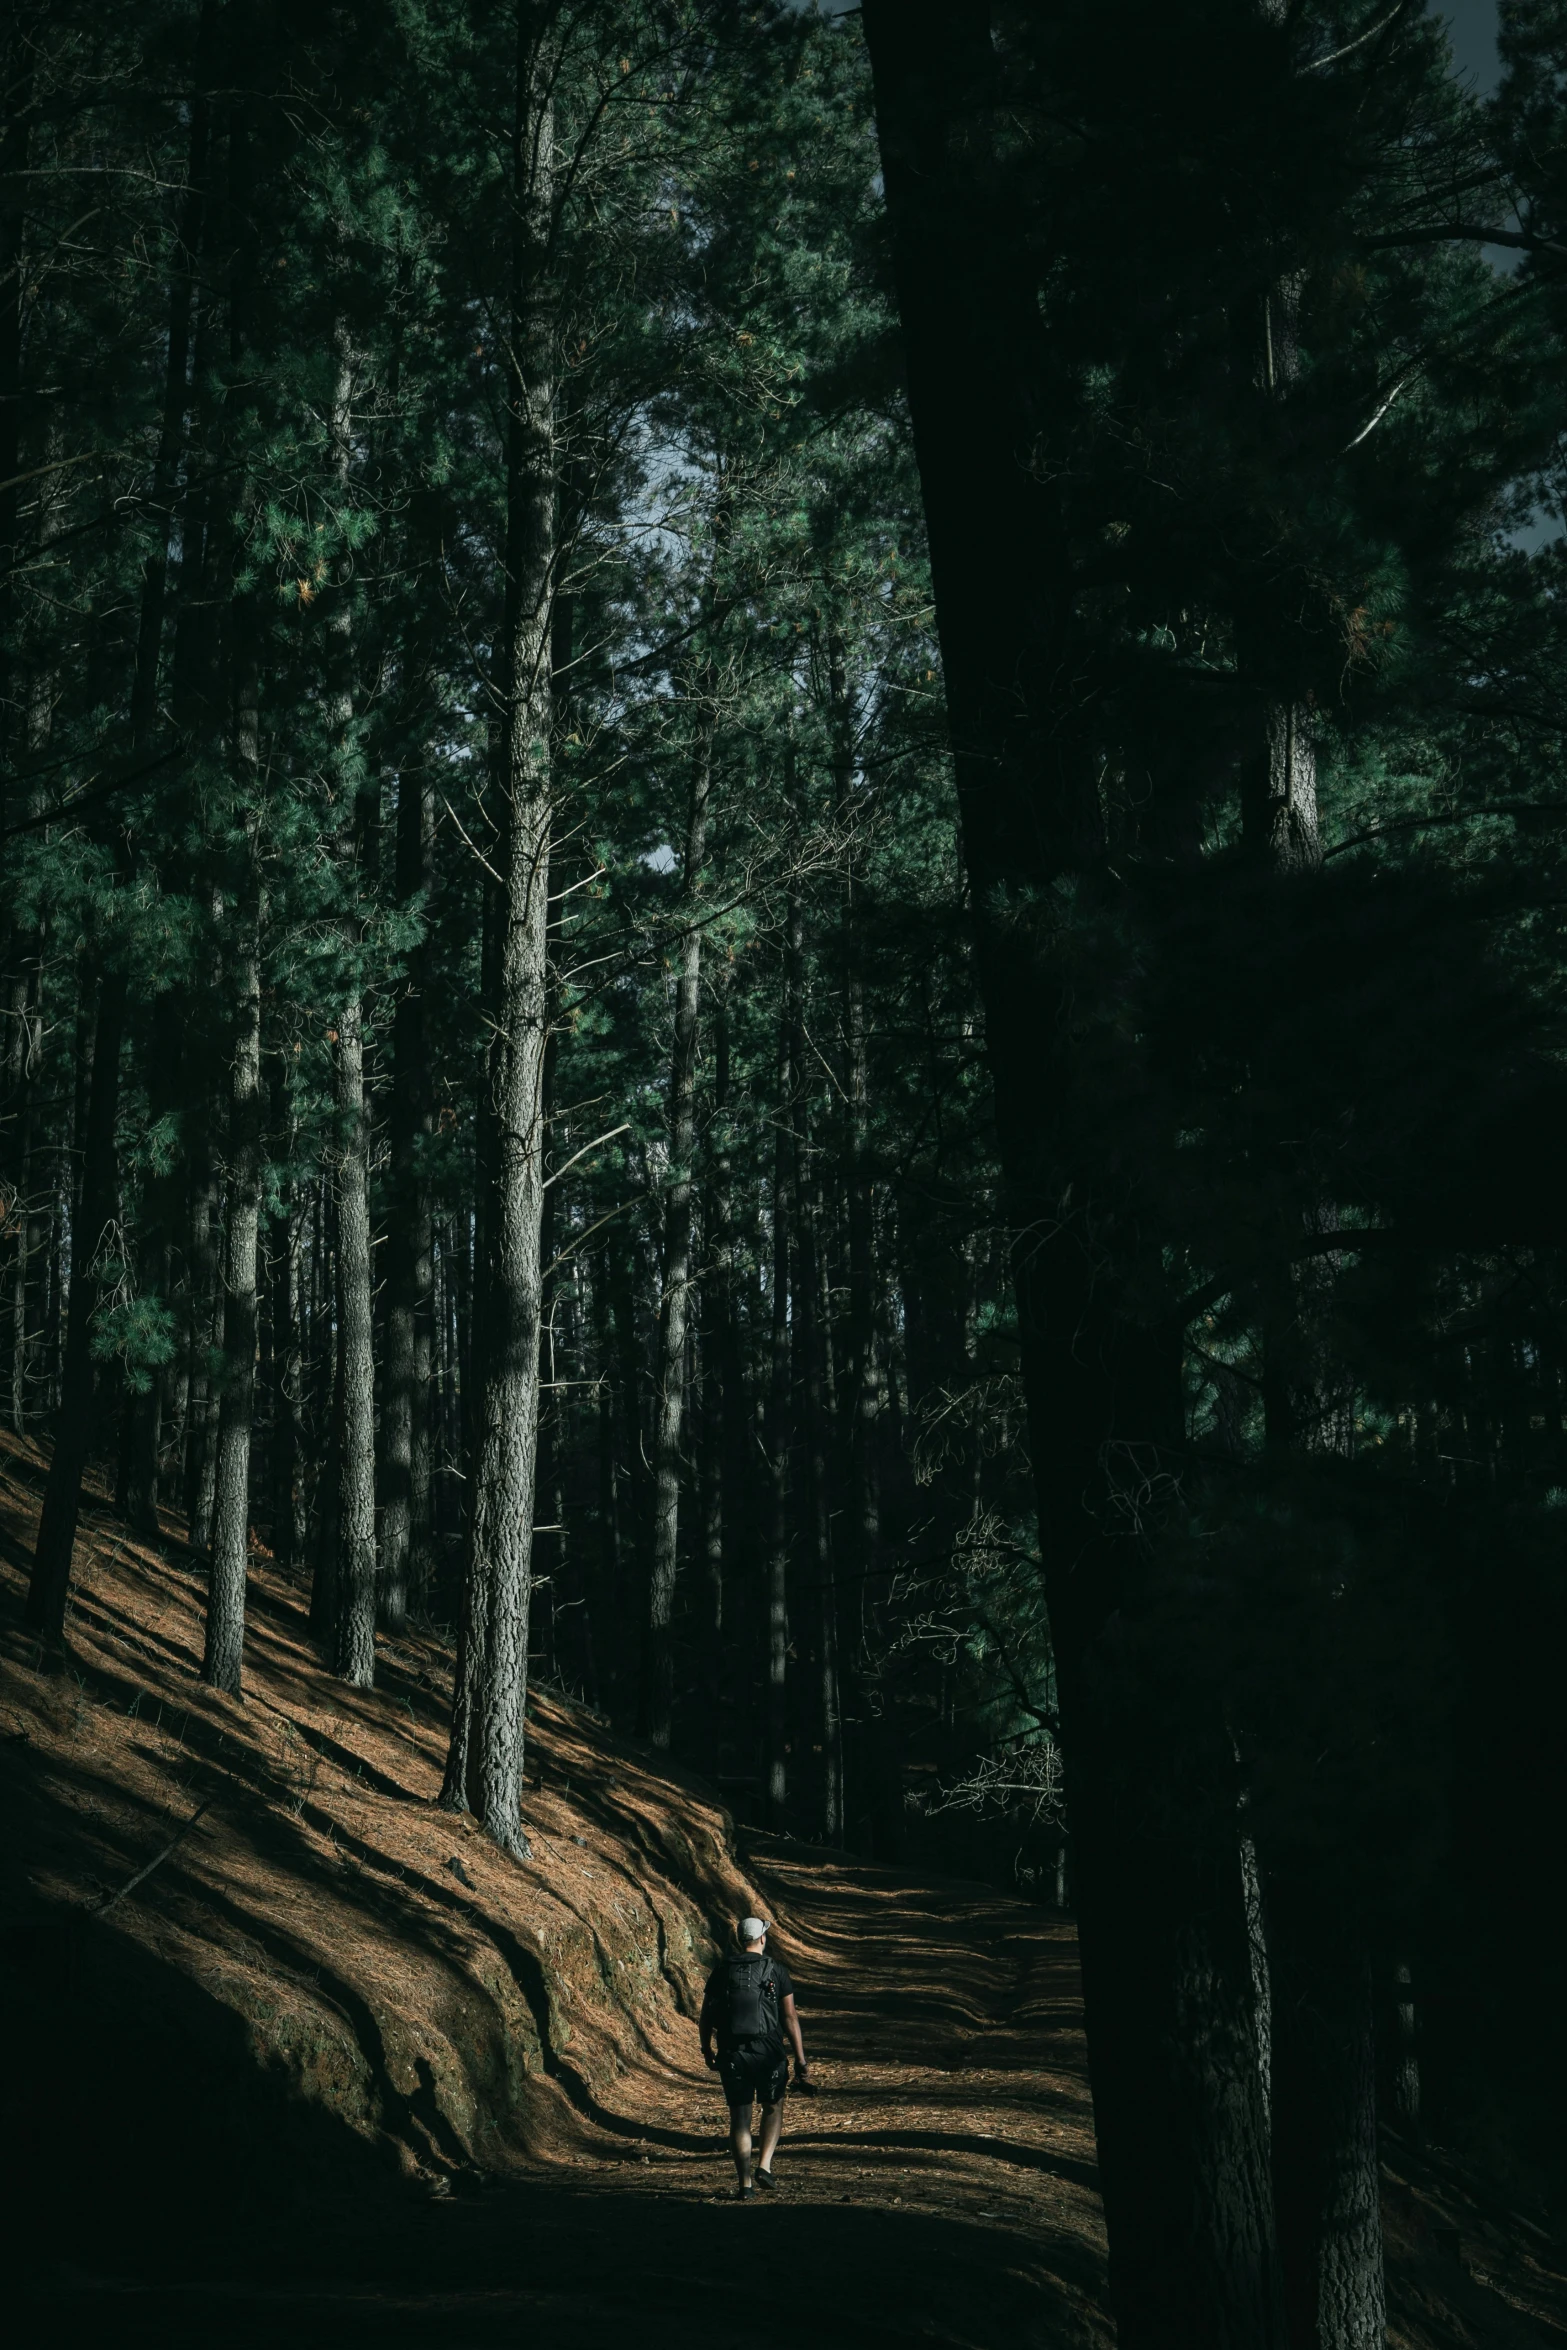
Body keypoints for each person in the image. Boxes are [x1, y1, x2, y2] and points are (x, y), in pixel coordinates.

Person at [699, 1914, 810, 2199]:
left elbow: (706, 2016)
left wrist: (707, 2049)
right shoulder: (776, 1970)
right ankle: (765, 2165)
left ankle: (744, 2184)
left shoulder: (722, 1970)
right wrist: (800, 2059)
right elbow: (790, 2017)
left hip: (733, 2053)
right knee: (773, 2106)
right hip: (769, 2052)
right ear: (762, 1938)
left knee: (740, 2117)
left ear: (740, 1940)